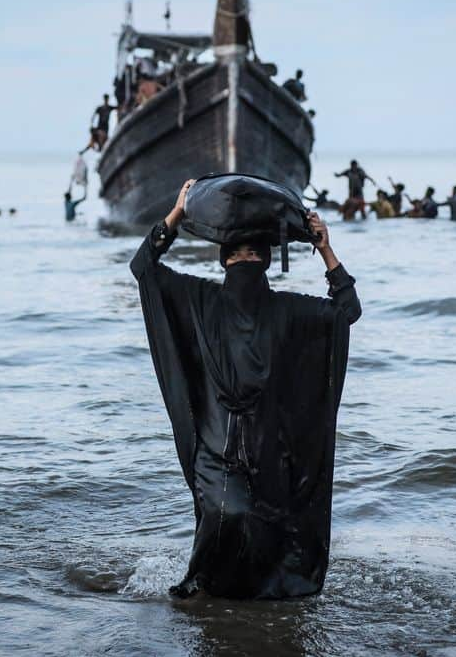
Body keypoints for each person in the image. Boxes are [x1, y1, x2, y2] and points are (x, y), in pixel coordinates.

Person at [131, 179, 361, 600]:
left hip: (270, 449)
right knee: (227, 513)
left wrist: (325, 248)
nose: (245, 261)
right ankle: (195, 591)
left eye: (254, 254)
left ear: (267, 262)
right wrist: (177, 213)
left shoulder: (288, 311)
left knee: (266, 535)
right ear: (223, 262)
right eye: (236, 254)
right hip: (215, 445)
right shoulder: (201, 298)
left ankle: (243, 610)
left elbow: (347, 311)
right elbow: (143, 268)